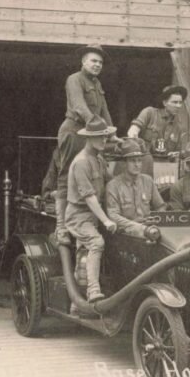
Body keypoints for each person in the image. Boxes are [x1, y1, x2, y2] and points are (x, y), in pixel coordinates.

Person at [54, 44, 113, 244]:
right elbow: (79, 106)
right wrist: (97, 127)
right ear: (83, 62)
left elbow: (104, 110)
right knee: (65, 176)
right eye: (93, 61)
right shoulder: (74, 79)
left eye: (100, 62)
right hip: (74, 131)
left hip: (92, 132)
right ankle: (61, 227)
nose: (97, 65)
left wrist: (112, 134)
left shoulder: (97, 84)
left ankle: (95, 220)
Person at [64, 115, 117, 302]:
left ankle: (79, 303)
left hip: (94, 215)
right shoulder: (81, 162)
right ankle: (93, 291)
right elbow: (89, 197)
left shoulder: (100, 160)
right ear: (88, 138)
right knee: (97, 243)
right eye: (100, 136)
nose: (105, 140)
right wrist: (106, 220)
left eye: (105, 136)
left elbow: (111, 185)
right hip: (79, 216)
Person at [105, 138, 166, 236]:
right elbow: (113, 216)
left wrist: (155, 221)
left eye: (139, 161)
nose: (137, 165)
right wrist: (138, 228)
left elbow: (160, 207)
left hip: (150, 231)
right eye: (133, 161)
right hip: (126, 234)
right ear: (124, 163)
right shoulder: (113, 186)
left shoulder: (148, 181)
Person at [127, 85, 190, 178]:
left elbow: (177, 152)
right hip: (144, 167)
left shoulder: (178, 127)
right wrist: (134, 135)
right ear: (165, 102)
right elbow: (132, 131)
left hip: (164, 170)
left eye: (180, 103)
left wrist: (176, 155)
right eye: (175, 102)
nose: (178, 106)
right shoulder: (149, 113)